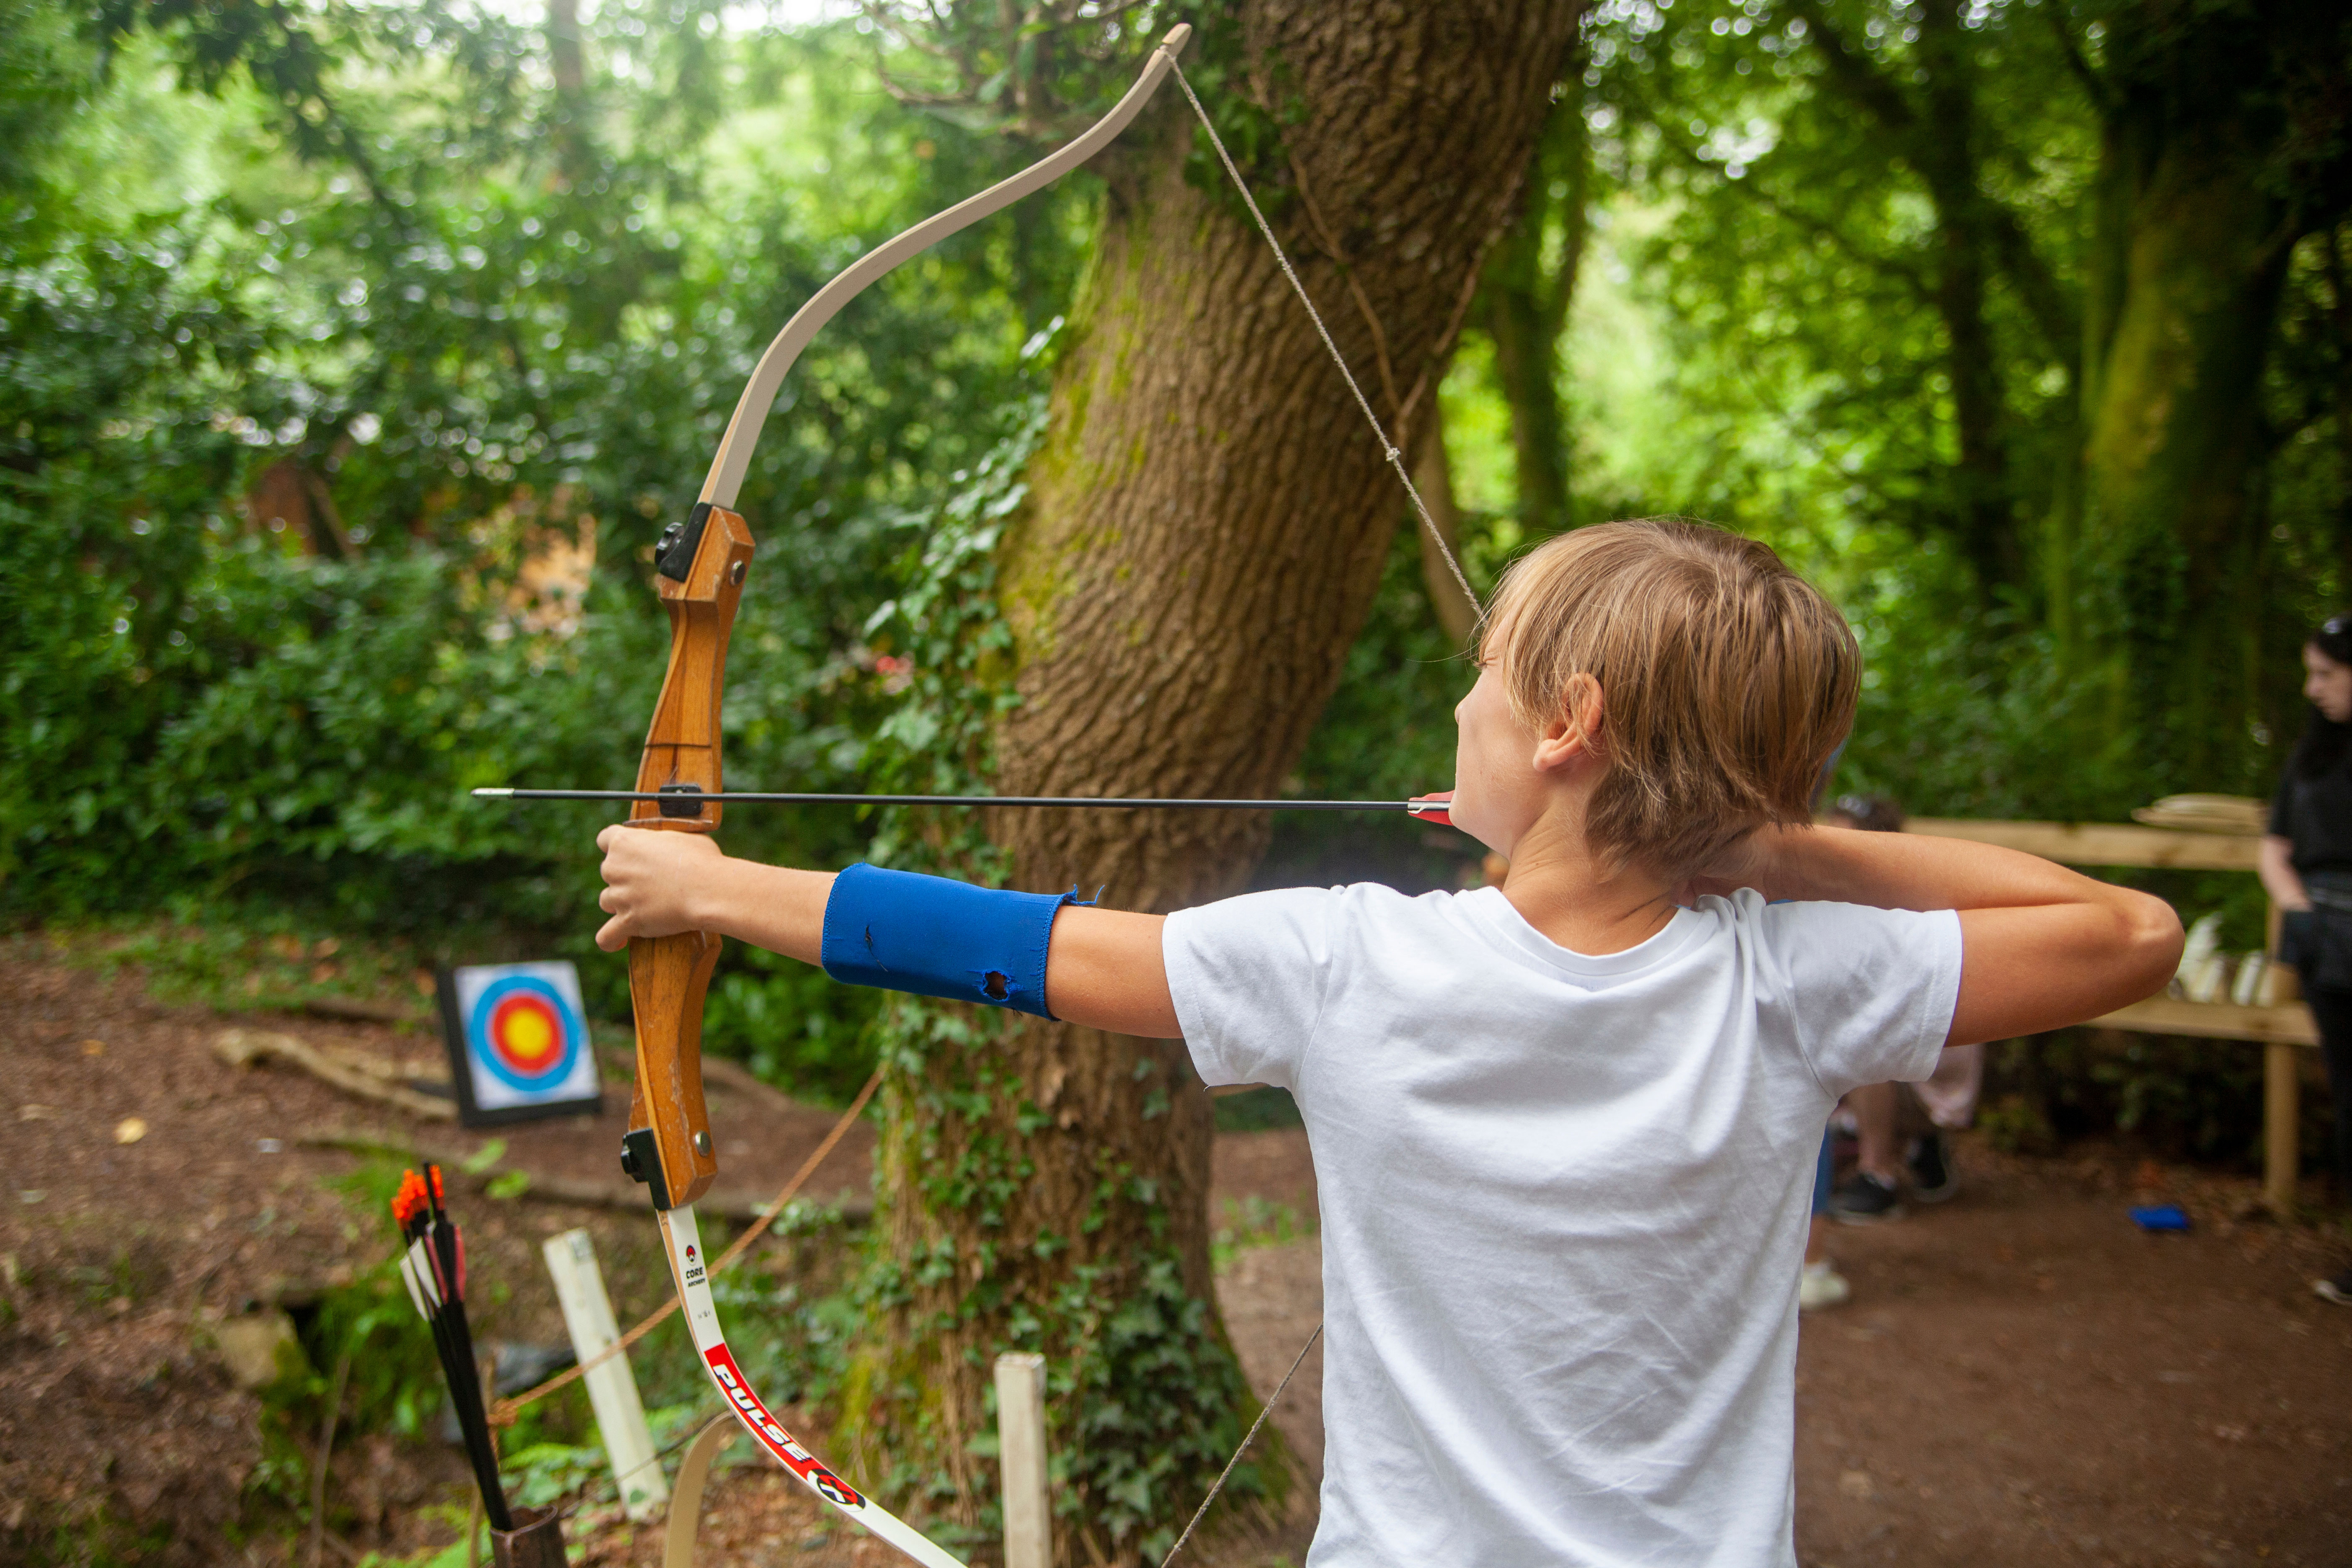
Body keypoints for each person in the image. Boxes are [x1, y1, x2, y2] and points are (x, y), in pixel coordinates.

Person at [595, 520, 2181, 1564]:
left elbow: (1029, 949)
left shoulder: (1343, 957)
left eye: (1486, 669)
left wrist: (714, 884)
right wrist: (1772, 850)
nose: (1461, 698)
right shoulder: (1792, 976)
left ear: (1564, 722)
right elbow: (2127, 934)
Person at [1821, 794, 1985, 1224]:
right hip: (1906, 1070)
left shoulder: (1903, 906)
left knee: (1858, 1036)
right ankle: (1918, 1149)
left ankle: (1878, 1177)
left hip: (1929, 1080)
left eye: (1845, 842)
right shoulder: (1836, 901)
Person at [2259, 614, 2352, 1307]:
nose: (2310, 686)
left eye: (2325, 672)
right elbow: (2276, 845)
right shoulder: (2311, 755)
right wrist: (2299, 910)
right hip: (2325, 930)